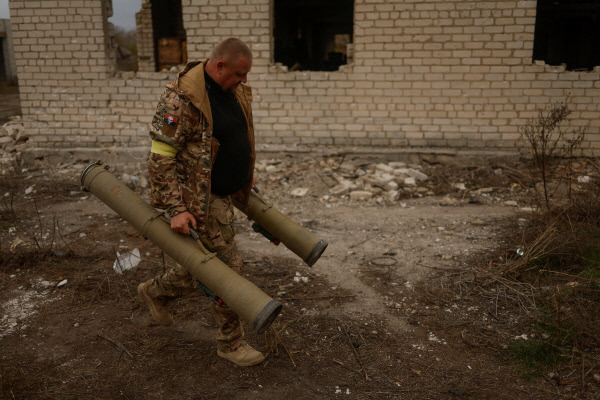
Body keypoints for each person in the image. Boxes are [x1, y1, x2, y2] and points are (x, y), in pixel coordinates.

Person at [137, 38, 264, 367]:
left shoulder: (230, 91)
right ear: (220, 66)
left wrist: (243, 179)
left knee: (201, 268)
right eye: (240, 73)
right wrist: (176, 209)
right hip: (199, 203)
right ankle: (231, 343)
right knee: (227, 271)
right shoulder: (179, 100)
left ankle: (155, 290)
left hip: (224, 196)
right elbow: (161, 156)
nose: (245, 80)